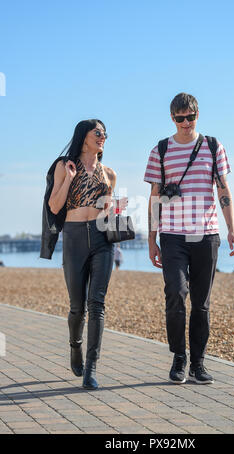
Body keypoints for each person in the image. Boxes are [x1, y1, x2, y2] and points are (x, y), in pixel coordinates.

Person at [144, 93, 234, 385]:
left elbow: (223, 189)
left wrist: (231, 229)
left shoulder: (213, 146)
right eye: (179, 118)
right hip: (172, 235)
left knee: (201, 303)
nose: (185, 123)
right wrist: (152, 239)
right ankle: (178, 357)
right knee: (175, 293)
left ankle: (198, 363)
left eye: (190, 117)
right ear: (172, 119)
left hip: (207, 235)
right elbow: (155, 198)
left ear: (198, 115)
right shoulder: (160, 150)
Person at [48, 119, 127, 390]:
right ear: (84, 137)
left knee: (97, 304)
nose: (103, 136)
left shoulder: (110, 174)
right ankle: (75, 346)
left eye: (105, 133)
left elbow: (107, 211)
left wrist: (115, 207)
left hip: (102, 239)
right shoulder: (64, 166)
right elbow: (55, 205)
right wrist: (69, 179)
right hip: (73, 236)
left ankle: (91, 367)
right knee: (76, 307)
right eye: (98, 132)